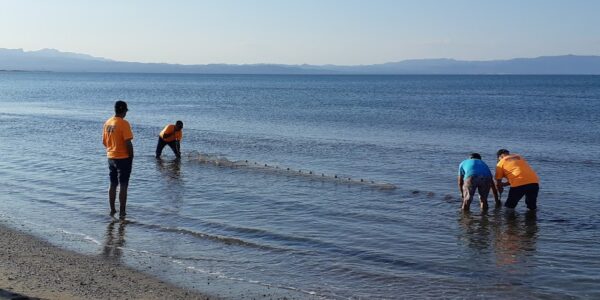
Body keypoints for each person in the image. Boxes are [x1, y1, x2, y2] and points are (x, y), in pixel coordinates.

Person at [102, 100, 134, 217]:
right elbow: (128, 143)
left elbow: (104, 142)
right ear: (124, 111)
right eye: (126, 110)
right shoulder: (123, 123)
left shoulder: (108, 122)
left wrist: (112, 148)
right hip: (123, 158)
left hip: (111, 157)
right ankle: (122, 211)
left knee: (113, 184)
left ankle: (112, 209)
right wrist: (131, 157)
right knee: (124, 185)